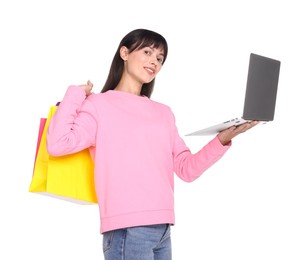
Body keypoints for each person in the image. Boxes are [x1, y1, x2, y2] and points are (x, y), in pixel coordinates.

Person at [46, 28, 258, 260]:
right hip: (127, 228)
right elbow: (58, 143)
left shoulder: (163, 113)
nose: (154, 62)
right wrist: (75, 94)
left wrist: (222, 139)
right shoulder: (98, 105)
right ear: (124, 53)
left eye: (159, 58)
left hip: (163, 227)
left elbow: (187, 169)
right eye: (147, 52)